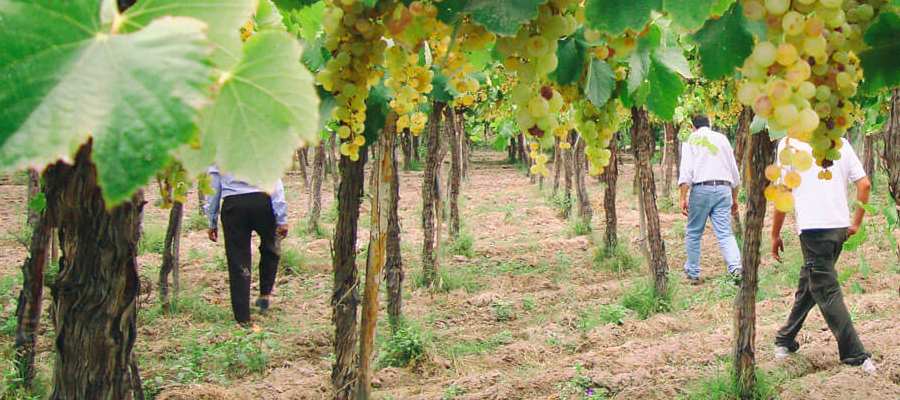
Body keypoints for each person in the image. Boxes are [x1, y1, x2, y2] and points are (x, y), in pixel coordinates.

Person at [771, 137, 877, 374]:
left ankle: (855, 356)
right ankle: (785, 339)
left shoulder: (788, 144)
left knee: (826, 290)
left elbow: (784, 192)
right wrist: (856, 223)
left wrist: (775, 233)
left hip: (812, 230)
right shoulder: (840, 142)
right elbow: (865, 185)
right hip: (839, 228)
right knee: (811, 282)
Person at [206, 166, 289, 325]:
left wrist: (212, 219)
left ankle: (242, 316)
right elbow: (274, 180)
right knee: (271, 247)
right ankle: (265, 294)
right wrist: (281, 217)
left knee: (237, 259)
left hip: (233, 205)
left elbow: (213, 184)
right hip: (262, 201)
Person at [678, 115, 743, 285]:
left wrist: (682, 197)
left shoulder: (691, 140)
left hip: (701, 189)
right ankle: (736, 269)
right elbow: (735, 173)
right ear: (710, 125)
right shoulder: (722, 139)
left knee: (693, 232)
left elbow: (686, 172)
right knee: (725, 233)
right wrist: (734, 198)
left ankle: (693, 272)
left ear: (693, 127)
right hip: (724, 189)